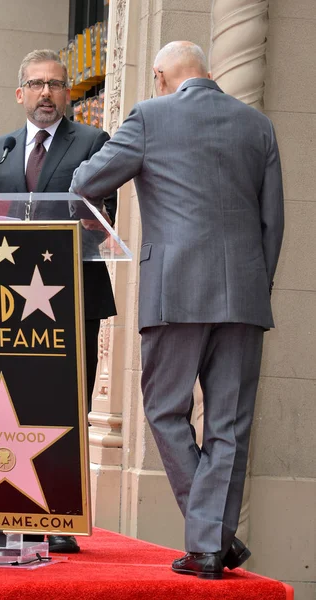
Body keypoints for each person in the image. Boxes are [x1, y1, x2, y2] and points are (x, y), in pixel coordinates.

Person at [71, 41, 284, 579]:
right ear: (207, 75)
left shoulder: (148, 116)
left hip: (174, 291)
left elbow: (83, 183)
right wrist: (258, 285)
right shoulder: (257, 125)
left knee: (165, 411)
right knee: (229, 424)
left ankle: (208, 538)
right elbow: (272, 221)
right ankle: (213, 538)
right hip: (244, 293)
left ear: (162, 76)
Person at [0, 49, 117, 554]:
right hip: (7, 306)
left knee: (65, 408)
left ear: (67, 94)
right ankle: (5, 510)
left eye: (56, 85)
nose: (45, 94)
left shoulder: (93, 142)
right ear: (20, 94)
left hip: (71, 298)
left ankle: (60, 516)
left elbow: (100, 221)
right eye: (36, 84)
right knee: (8, 406)